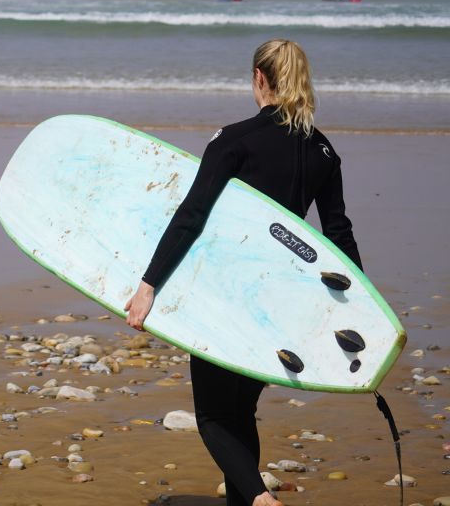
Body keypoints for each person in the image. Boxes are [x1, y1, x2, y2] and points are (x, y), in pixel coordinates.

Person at [124, 39, 361, 506]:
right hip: (278, 305)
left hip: (225, 296)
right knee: (241, 411)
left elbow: (191, 216)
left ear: (259, 78)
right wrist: (359, 311)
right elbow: (339, 234)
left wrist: (149, 285)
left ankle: (258, 498)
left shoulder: (233, 140)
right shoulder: (323, 151)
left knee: (213, 417)